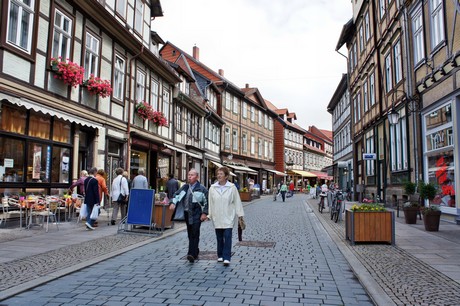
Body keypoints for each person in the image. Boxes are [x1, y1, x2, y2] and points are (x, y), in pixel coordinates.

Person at [169, 169, 208, 263]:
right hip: (187, 214)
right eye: (189, 175)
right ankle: (195, 250)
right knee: (190, 233)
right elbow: (176, 195)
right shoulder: (185, 187)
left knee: (195, 232)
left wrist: (204, 213)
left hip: (196, 213)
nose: (189, 176)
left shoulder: (202, 189)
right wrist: (173, 202)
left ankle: (191, 253)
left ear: (197, 177)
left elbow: (207, 202)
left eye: (192, 175)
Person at [207, 167, 244, 266]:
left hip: (228, 216)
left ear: (226, 176)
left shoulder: (232, 188)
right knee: (219, 237)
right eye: (218, 174)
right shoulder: (212, 188)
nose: (219, 175)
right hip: (217, 216)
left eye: (221, 174)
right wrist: (210, 215)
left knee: (227, 236)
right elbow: (211, 203)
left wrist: (240, 214)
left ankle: (227, 257)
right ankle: (220, 255)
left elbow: (237, 201)